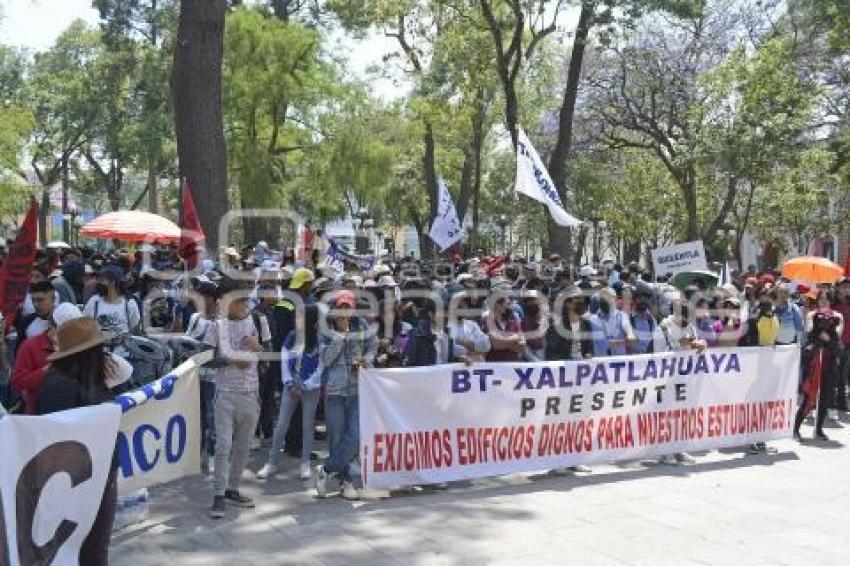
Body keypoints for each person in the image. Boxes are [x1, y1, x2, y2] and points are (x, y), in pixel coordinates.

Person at [35, 317, 131, 566]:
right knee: (91, 551)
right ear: (90, 354)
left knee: (88, 550)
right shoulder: (63, 387)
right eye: (100, 349)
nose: (105, 354)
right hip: (81, 482)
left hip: (90, 477)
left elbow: (125, 370)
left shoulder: (80, 380)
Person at [203, 284, 266, 518]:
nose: (222, 305)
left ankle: (232, 489)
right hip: (225, 394)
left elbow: (267, 351)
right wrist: (230, 360)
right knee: (223, 447)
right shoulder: (216, 326)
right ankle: (218, 494)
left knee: (243, 447)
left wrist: (257, 347)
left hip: (251, 394)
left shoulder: (258, 321)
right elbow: (204, 359)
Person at [316, 290, 377, 500]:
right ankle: (345, 481)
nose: (344, 312)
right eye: (340, 307)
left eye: (348, 307)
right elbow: (325, 359)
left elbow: (372, 346)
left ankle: (326, 469)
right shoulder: (325, 329)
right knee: (336, 437)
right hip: (334, 391)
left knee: (356, 435)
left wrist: (367, 360)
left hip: (357, 390)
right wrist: (340, 337)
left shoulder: (361, 325)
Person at [257, 304, 323, 481]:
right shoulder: (292, 336)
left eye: (301, 317)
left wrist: (306, 386)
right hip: (291, 386)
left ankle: (305, 464)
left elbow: (321, 367)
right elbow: (285, 362)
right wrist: (289, 383)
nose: (297, 320)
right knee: (280, 426)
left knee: (307, 426)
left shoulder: (319, 340)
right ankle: (271, 463)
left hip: (311, 388)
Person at [11, 303, 83, 414]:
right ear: (52, 326)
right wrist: (47, 370)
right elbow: (18, 383)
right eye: (67, 331)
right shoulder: (30, 346)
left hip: (72, 409)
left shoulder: (77, 345)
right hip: (39, 413)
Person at [793, 309, 841, 441]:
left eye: (827, 321)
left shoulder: (834, 335)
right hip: (813, 374)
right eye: (821, 321)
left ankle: (818, 429)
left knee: (824, 402)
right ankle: (796, 429)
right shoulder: (811, 334)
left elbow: (838, 350)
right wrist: (817, 343)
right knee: (807, 401)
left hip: (829, 373)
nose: (824, 323)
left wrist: (829, 340)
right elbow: (805, 354)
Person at [83, 264, 141, 337]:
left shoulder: (129, 304)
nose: (98, 282)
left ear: (113, 282)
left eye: (102, 280)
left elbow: (134, 324)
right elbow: (86, 323)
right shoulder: (94, 301)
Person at [545, 286, 593, 361]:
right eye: (577, 298)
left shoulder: (587, 324)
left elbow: (590, 349)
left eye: (582, 298)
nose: (581, 301)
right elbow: (552, 354)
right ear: (567, 303)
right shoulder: (556, 328)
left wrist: (589, 355)